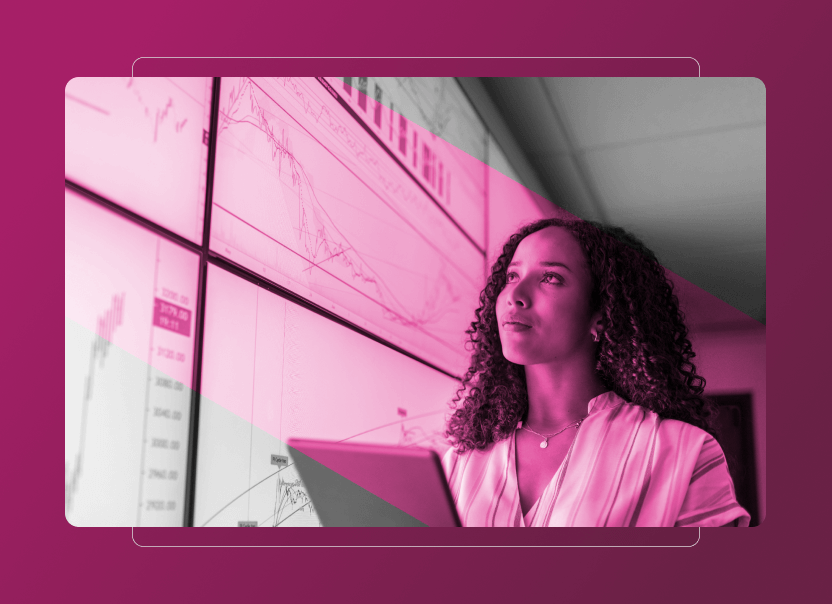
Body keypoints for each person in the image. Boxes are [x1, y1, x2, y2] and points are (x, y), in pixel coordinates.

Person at [442, 218, 750, 527]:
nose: (514, 294)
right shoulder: (460, 462)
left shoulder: (684, 451)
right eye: (512, 275)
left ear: (602, 315)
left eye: (550, 277)